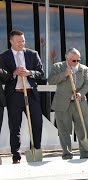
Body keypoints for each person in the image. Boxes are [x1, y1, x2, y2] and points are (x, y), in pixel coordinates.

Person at [0, 30, 44, 164]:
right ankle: (16, 155)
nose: (21, 43)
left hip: (31, 94)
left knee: (37, 123)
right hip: (14, 95)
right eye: (18, 41)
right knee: (15, 127)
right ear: (11, 41)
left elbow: (41, 73)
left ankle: (36, 149)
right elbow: (3, 76)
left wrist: (29, 72)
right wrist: (14, 73)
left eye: (23, 41)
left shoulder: (32, 54)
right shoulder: (4, 57)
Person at [48, 48, 88, 159]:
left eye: (78, 60)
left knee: (83, 127)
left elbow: (87, 84)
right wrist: (64, 74)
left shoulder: (84, 69)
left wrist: (80, 94)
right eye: (74, 61)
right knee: (63, 129)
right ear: (67, 58)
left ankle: (85, 152)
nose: (76, 63)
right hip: (62, 103)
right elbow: (51, 80)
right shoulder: (58, 67)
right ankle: (67, 153)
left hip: (79, 102)